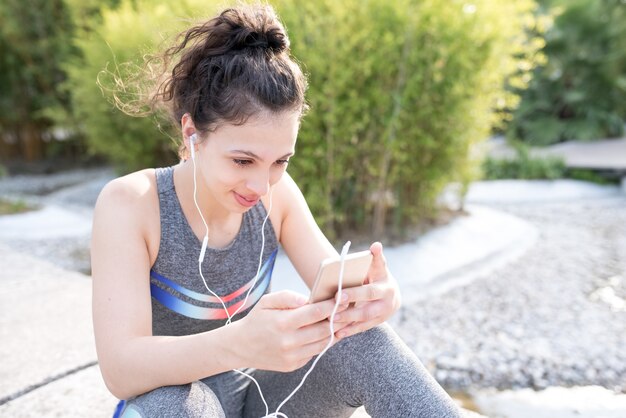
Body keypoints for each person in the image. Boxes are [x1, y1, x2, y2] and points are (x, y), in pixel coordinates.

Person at [91, 4, 463, 418]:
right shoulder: (132, 204)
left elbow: (337, 291)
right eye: (243, 161)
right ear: (192, 132)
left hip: (263, 398)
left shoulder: (278, 194)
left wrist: (379, 298)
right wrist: (241, 342)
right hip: (178, 405)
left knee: (365, 341)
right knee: (176, 408)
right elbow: (120, 369)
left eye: (280, 161)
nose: (261, 184)